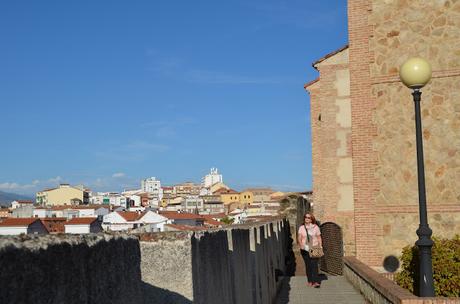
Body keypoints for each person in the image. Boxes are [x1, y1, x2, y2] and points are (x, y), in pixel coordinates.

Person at [297, 212, 322, 288]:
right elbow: (299, 237)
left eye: (309, 218)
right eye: (306, 217)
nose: (307, 219)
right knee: (308, 265)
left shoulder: (316, 227)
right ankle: (310, 281)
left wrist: (320, 246)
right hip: (305, 248)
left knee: (314, 265)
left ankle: (315, 282)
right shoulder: (301, 227)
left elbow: (319, 237)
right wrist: (301, 245)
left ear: (312, 219)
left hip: (314, 247)